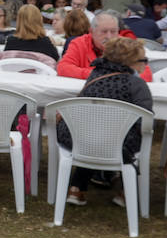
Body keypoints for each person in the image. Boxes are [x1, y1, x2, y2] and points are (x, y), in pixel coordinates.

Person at [57, 36, 152, 206]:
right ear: (130, 62)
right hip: (116, 143)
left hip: (79, 138)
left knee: (94, 132)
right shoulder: (137, 84)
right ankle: (125, 191)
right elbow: (145, 119)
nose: (145, 64)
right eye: (143, 60)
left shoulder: (95, 74)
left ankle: (76, 189)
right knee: (126, 134)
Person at [58, 11, 153, 81]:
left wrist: (112, 77)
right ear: (91, 31)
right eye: (104, 32)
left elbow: (146, 74)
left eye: (113, 31)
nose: (109, 36)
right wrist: (100, 75)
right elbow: (63, 68)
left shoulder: (125, 45)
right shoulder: (79, 43)